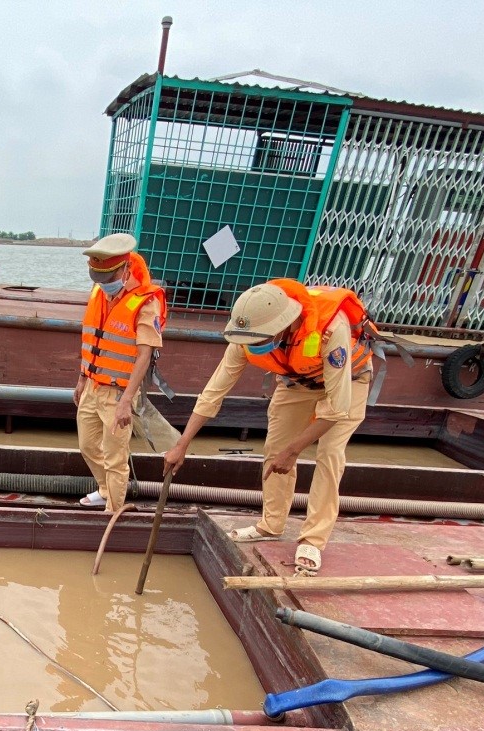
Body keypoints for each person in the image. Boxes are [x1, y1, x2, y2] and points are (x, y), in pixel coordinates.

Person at [163, 278, 375, 576]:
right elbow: (214, 391)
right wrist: (181, 444)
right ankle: (272, 524)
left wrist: (294, 451)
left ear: (284, 324)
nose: (254, 347)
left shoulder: (330, 330)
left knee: (329, 454)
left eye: (261, 341)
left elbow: (336, 409)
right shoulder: (245, 335)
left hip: (347, 383)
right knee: (274, 449)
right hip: (297, 382)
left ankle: (313, 539)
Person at [74, 233, 166, 513]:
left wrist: (127, 399)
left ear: (125, 269)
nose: (102, 284)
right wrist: (81, 380)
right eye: (97, 277)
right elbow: (92, 340)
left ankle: (113, 512)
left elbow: (144, 355)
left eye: (108, 276)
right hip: (92, 384)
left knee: (116, 457)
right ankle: (105, 491)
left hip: (119, 391)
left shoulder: (146, 302)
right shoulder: (99, 291)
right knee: (88, 445)